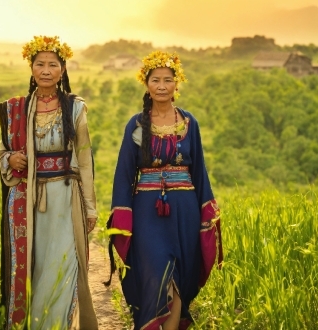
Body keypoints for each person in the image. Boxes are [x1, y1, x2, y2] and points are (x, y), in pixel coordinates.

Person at [106, 51, 223, 330]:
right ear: (146, 84)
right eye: (155, 80)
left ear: (176, 84)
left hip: (184, 210)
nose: (161, 86)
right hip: (148, 212)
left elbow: (200, 171)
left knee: (180, 281)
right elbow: (124, 174)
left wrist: (208, 211)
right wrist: (122, 217)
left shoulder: (189, 123)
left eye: (167, 80)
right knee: (156, 273)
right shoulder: (136, 125)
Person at [0, 36, 98, 330]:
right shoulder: (17, 109)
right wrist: (10, 159)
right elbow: (1, 151)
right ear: (31, 68)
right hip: (28, 201)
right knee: (35, 270)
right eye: (40, 64)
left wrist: (90, 208)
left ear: (63, 70)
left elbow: (86, 160)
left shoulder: (75, 108)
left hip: (66, 199)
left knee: (61, 265)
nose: (46, 70)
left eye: (53, 64)